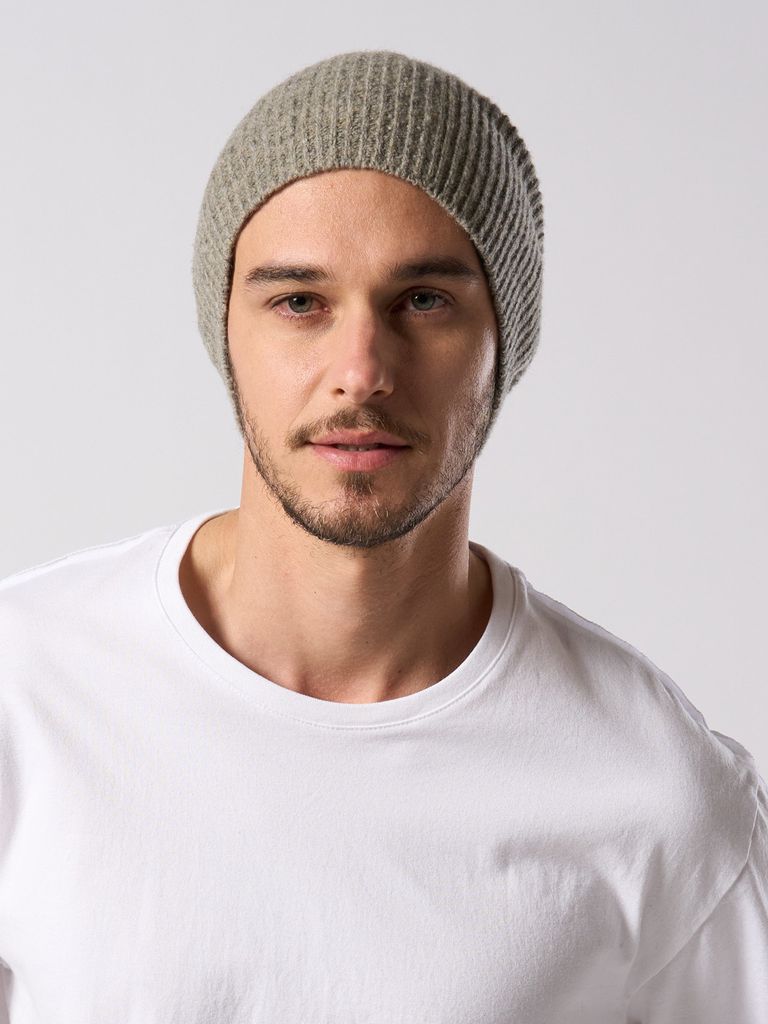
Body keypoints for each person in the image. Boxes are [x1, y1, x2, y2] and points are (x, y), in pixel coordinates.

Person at [0, 49, 765, 1023]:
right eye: (299, 302)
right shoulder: (26, 688)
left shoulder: (662, 795)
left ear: (503, 342)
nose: (360, 369)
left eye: (424, 301)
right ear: (226, 330)